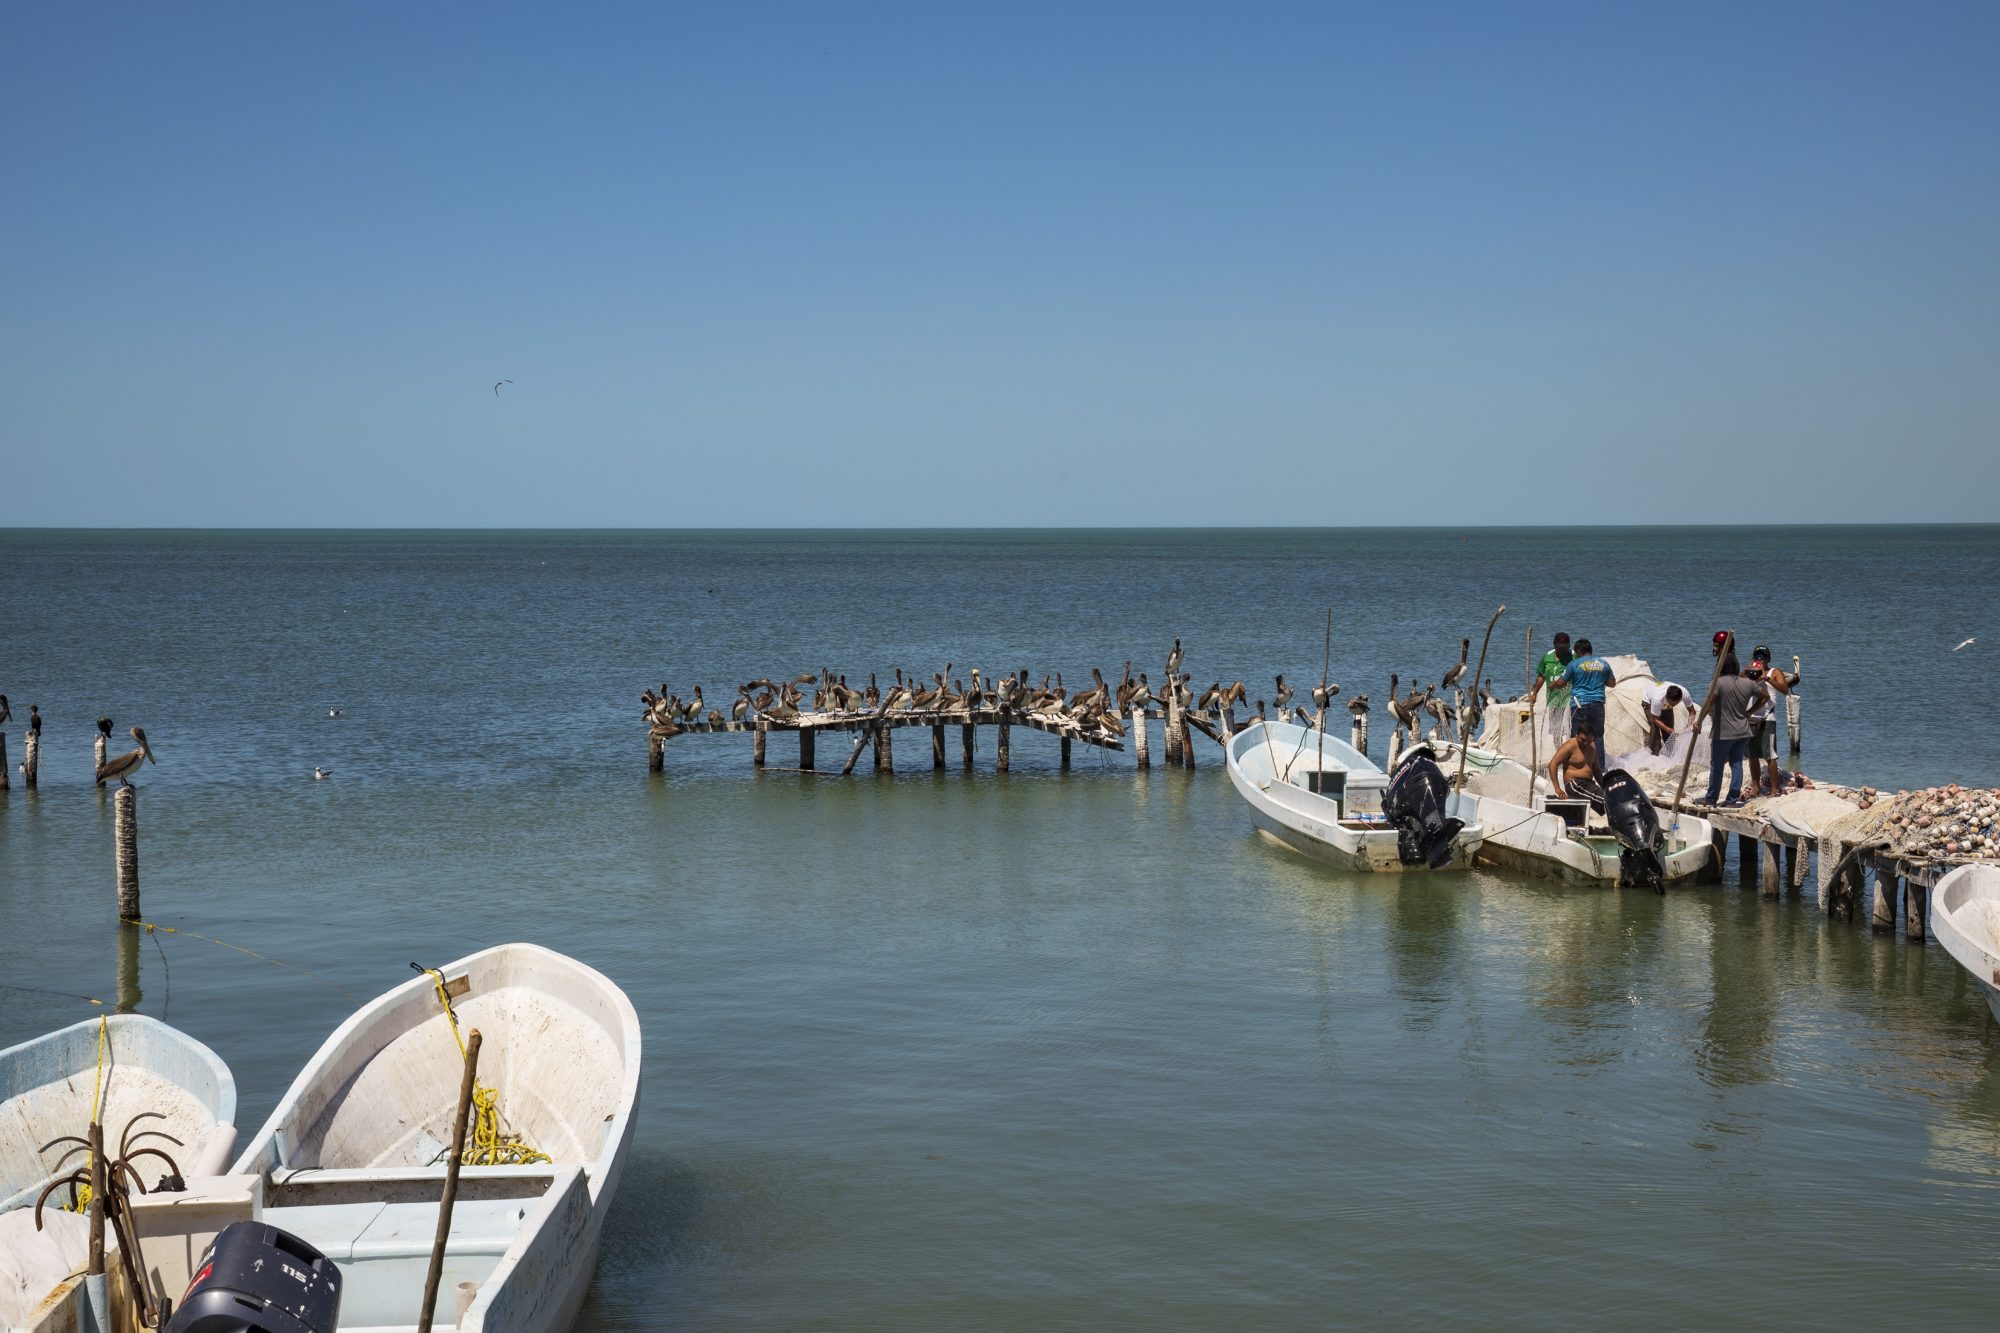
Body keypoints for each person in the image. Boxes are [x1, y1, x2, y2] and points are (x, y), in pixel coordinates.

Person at [1698, 654, 1759, 806]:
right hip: (1742, 731)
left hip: (1723, 733)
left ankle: (1711, 798)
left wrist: (1698, 721)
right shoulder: (1748, 683)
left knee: (1717, 766)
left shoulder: (1718, 683)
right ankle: (1732, 800)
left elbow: (1709, 702)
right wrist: (1750, 710)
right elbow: (1764, 696)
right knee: (1736, 765)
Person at [1744, 646, 1799, 796]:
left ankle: (1774, 789)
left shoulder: (1774, 672)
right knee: (1752, 755)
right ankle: (1756, 787)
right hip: (1751, 718)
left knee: (1770, 755)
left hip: (1767, 718)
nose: (1759, 660)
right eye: (1757, 657)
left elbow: (1784, 689)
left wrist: (1767, 678)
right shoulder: (1751, 672)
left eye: (1762, 657)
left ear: (1768, 659)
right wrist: (1745, 673)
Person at [1558, 638, 1615, 776]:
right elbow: (1612, 683)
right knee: (1598, 736)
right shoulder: (1603, 663)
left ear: (1578, 651)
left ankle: (1575, 765)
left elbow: (1561, 682)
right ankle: (1599, 769)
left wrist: (1552, 685)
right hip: (1598, 703)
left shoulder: (1574, 664)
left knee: (1577, 736)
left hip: (1579, 704)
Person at [1529, 632, 1574, 745]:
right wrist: (1534, 694)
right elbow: (1541, 676)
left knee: (1570, 729)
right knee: (1556, 731)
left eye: (1565, 648)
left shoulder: (1574, 656)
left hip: (1570, 700)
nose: (1563, 650)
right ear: (1554, 645)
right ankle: (1559, 753)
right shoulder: (1547, 657)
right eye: (1560, 648)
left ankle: (1571, 754)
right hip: (1553, 700)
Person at [1642, 682, 1688, 756]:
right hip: (1649, 703)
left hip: (1665, 704)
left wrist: (1688, 726)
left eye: (1675, 704)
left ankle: (1670, 755)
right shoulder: (1657, 699)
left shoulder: (1684, 694)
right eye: (1672, 703)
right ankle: (1654, 755)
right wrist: (1667, 729)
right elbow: (1654, 719)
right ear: (1667, 697)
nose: (1673, 705)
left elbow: (1692, 711)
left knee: (1669, 731)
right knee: (1655, 730)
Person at [1546, 732, 1595, 799]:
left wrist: (1604, 787)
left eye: (1588, 741)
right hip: (1575, 784)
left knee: (1608, 798)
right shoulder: (1570, 746)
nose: (1585, 743)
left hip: (1589, 784)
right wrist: (1557, 789)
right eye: (1582, 740)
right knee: (1605, 801)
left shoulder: (1592, 746)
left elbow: (1597, 769)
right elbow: (1552, 765)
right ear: (1577, 735)